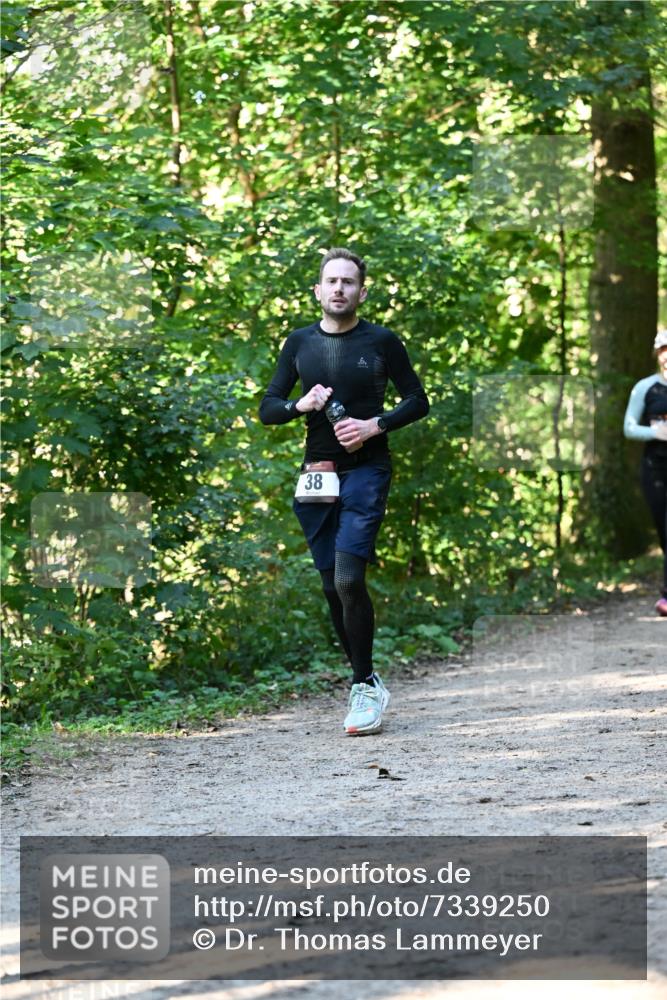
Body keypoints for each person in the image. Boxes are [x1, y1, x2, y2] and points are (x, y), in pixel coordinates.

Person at [259, 248, 429, 733]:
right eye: (330, 281)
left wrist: (375, 425)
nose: (338, 289)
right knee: (332, 584)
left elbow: (418, 401)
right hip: (317, 474)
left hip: (367, 470)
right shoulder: (299, 343)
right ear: (318, 290)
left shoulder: (382, 341)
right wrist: (300, 405)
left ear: (361, 291)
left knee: (350, 578)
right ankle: (368, 679)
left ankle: (362, 687)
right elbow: (268, 407)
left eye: (348, 282)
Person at [623, 328, 667, 617]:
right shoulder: (646, 388)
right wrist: (655, 432)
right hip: (656, 469)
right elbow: (628, 427)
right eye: (664, 352)